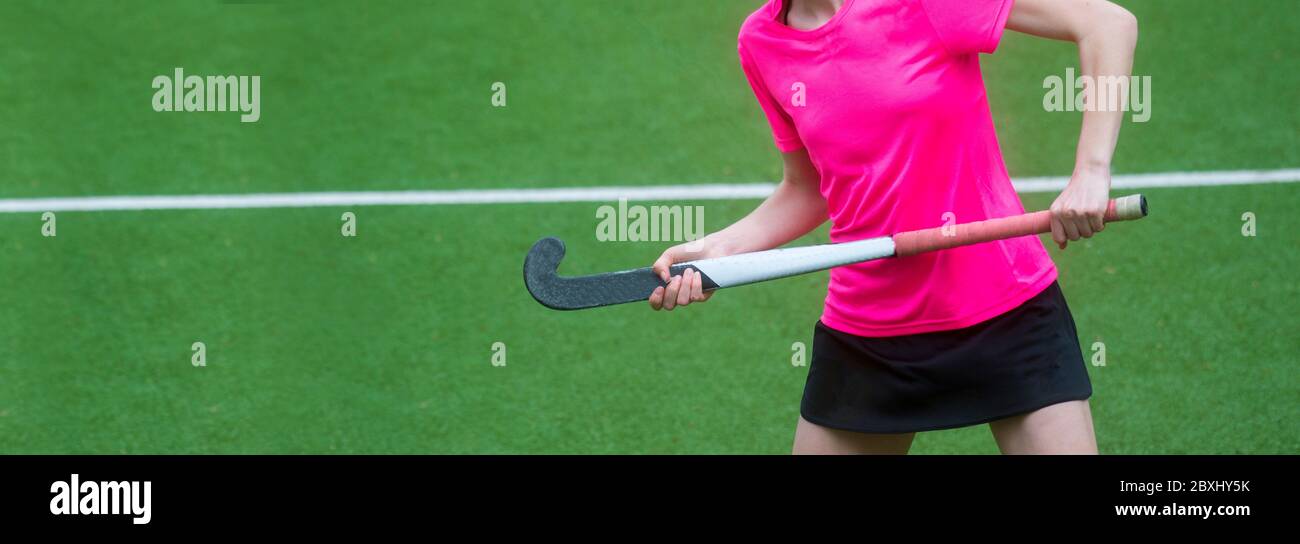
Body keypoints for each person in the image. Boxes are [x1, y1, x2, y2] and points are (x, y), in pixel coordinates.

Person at [647, 0, 1138, 454]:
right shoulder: (761, 40)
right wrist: (720, 249)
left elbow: (1106, 25)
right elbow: (810, 186)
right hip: (870, 332)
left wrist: (1091, 171)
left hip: (1004, 309)